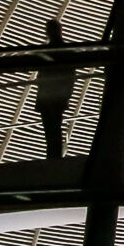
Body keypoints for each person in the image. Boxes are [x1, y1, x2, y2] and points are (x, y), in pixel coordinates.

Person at [33, 19, 77, 162]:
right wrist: (66, 94)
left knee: (50, 129)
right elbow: (70, 75)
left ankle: (52, 158)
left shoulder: (47, 51)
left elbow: (42, 75)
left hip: (47, 97)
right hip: (57, 97)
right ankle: (55, 158)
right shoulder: (66, 52)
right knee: (55, 128)